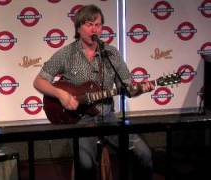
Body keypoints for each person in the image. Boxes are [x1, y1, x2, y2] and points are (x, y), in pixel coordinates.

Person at [33, 4, 154, 180]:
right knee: (86, 165)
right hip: (80, 121)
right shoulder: (66, 54)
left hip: (108, 118)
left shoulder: (111, 54)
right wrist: (62, 95)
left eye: (98, 25)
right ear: (79, 28)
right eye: (89, 24)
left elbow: (127, 88)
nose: (94, 29)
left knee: (144, 154)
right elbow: (39, 81)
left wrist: (142, 89)